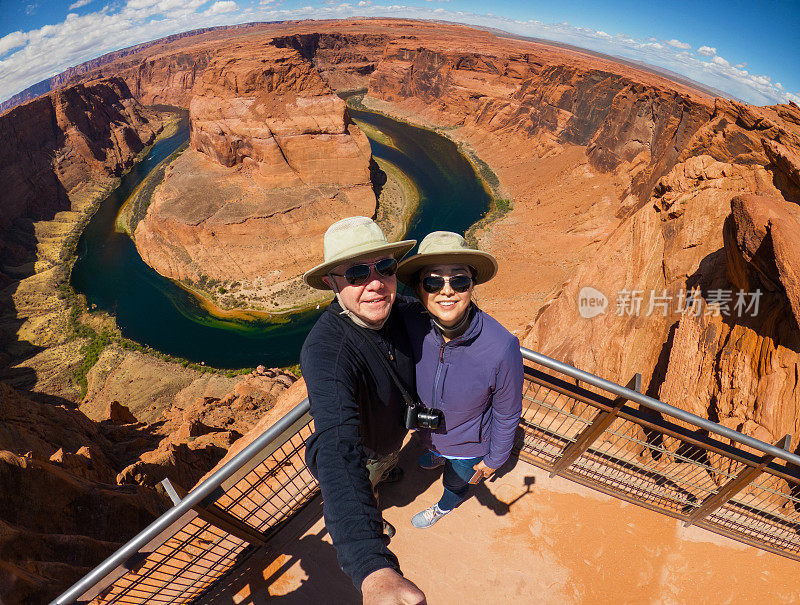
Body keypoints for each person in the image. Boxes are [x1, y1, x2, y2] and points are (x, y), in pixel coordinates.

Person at [301, 216, 426, 604]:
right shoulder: (327, 349)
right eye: (356, 273)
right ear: (331, 282)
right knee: (367, 480)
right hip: (364, 452)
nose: (375, 283)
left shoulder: (405, 311)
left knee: (387, 466)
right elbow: (339, 450)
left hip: (392, 438)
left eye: (384, 268)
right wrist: (372, 567)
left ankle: (386, 473)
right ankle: (374, 505)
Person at [396, 231, 524, 528]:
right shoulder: (412, 321)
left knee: (456, 481)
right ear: (418, 289)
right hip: (428, 433)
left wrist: (494, 460)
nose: (447, 290)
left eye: (459, 280)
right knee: (432, 450)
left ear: (472, 286)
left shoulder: (501, 347)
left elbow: (507, 413)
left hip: (469, 446)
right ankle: (438, 454)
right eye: (432, 281)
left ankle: (444, 507)